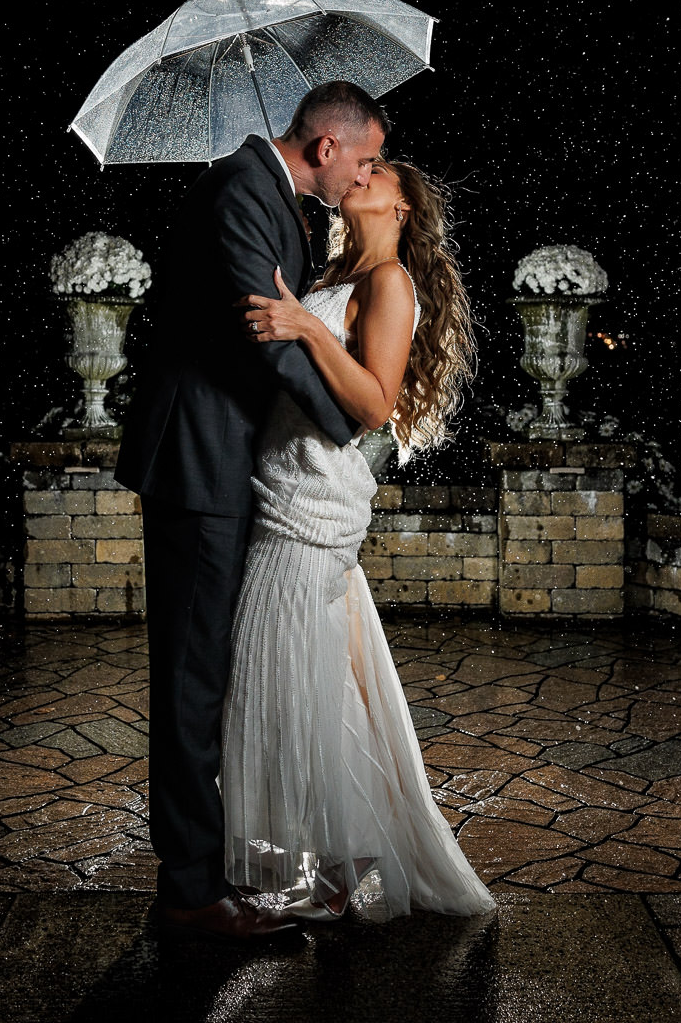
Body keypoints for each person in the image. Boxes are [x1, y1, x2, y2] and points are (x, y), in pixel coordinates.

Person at [116, 80, 388, 941]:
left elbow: (284, 322)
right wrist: (349, 412)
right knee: (193, 682)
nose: (368, 175)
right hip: (200, 465)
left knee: (210, 676)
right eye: (368, 159)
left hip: (226, 466)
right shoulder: (242, 189)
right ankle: (190, 893)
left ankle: (213, 862)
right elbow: (259, 329)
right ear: (326, 148)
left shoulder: (276, 196)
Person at [227, 155, 495, 921]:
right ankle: (344, 863)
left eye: (379, 169)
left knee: (288, 681)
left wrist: (307, 324)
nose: (361, 171)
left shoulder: (391, 284)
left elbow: (374, 404)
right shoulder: (332, 264)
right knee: (309, 685)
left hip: (313, 501)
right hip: (279, 481)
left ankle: (327, 872)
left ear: (404, 206)